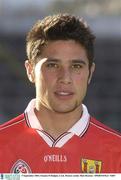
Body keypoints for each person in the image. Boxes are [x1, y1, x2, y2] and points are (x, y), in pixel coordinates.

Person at [0, 13, 121, 174]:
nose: (65, 78)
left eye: (76, 66)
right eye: (52, 65)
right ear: (30, 71)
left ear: (90, 73)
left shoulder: (116, 151)